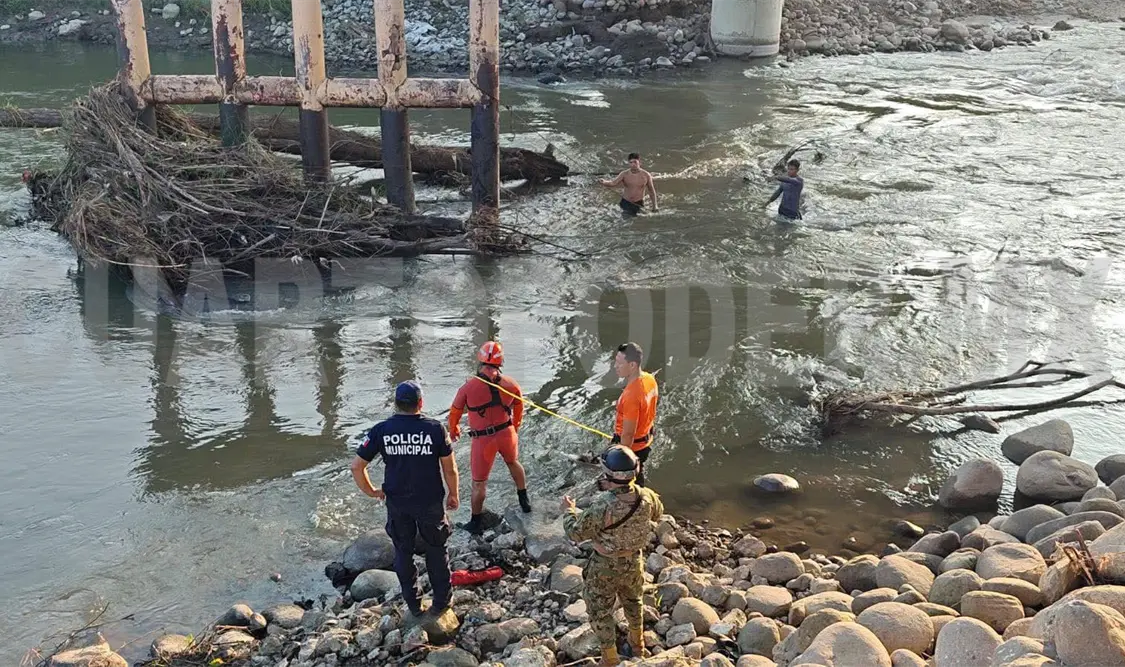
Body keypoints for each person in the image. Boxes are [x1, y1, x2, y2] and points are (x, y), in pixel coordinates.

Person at [350, 381, 460, 616]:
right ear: (421, 403)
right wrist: (454, 494)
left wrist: (371, 491)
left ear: (396, 404)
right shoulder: (435, 429)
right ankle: (441, 601)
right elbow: (449, 469)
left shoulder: (381, 430)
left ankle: (413, 603)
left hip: (398, 501)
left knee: (403, 551)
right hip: (429, 500)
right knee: (436, 549)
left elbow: (357, 467)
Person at [562, 446, 664, 666]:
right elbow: (658, 512)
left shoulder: (602, 504)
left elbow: (576, 532)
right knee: (634, 600)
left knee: (599, 610)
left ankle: (610, 658)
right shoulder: (647, 496)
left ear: (608, 474)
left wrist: (569, 511)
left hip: (605, 565)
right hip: (634, 561)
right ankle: (638, 646)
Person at [448, 341, 531, 534]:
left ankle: (475, 522)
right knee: (513, 462)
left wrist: (454, 430)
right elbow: (519, 408)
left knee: (479, 482)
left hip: (483, 440)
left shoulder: (468, 388)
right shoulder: (511, 384)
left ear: (480, 362)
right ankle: (524, 500)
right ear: (500, 363)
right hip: (506, 433)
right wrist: (515, 427)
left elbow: (454, 414)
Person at [612, 342, 659, 487]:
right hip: (645, 441)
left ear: (632, 365)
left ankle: (636, 503)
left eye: (619, 363)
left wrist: (620, 460)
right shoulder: (649, 379)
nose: (615, 366)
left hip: (632, 447)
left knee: (624, 482)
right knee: (638, 473)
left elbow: (628, 435)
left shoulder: (631, 396)